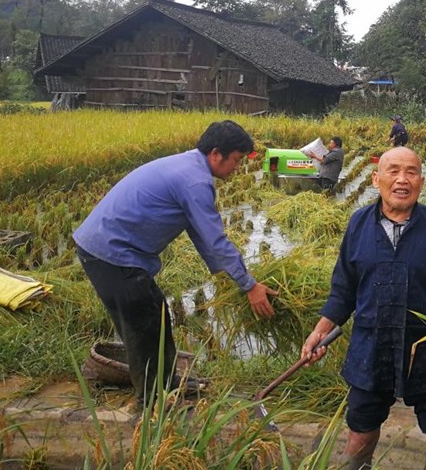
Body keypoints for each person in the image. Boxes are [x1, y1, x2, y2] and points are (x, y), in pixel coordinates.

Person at [74, 120, 277, 406]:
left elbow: (201, 236)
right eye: (236, 160)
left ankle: (167, 383)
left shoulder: (189, 167)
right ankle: (154, 403)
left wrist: (223, 276)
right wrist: (248, 285)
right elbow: (216, 239)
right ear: (216, 154)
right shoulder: (195, 181)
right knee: (142, 326)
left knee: (156, 315)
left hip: (108, 249)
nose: (237, 168)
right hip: (110, 253)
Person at [301, 147, 426, 469]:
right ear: (376, 178)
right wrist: (319, 333)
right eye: (393, 171)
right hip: (371, 350)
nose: (402, 180)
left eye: (411, 172)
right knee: (359, 443)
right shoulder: (359, 224)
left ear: (421, 181)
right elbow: (343, 290)